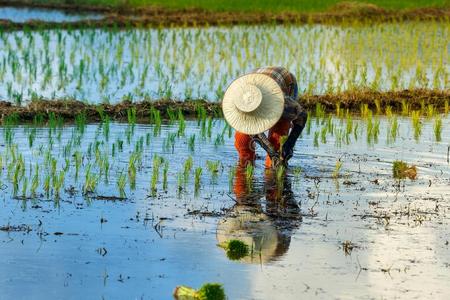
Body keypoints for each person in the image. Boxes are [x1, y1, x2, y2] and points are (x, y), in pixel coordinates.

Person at [222, 66, 307, 168]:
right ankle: (246, 165)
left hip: (285, 82)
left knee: (278, 140)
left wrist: (289, 144)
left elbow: (302, 115)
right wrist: (270, 151)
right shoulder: (240, 101)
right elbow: (254, 131)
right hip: (255, 84)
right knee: (242, 138)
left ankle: (273, 172)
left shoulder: (281, 101)